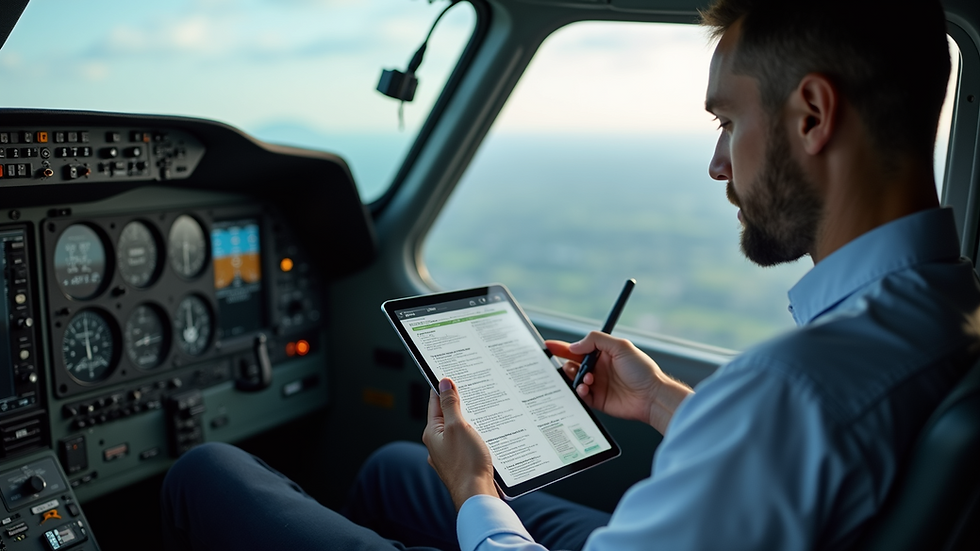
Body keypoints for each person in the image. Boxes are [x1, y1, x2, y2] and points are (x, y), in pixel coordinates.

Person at [161, 0, 980, 549]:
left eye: (728, 122)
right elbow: (795, 460)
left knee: (205, 471)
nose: (717, 163)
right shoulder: (940, 311)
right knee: (399, 468)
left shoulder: (798, 387)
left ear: (811, 115)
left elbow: (788, 425)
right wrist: (658, 397)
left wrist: (478, 486)